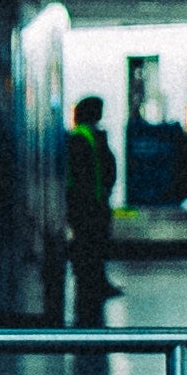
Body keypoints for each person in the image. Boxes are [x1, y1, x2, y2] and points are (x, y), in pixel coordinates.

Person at [63, 96, 118, 318]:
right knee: (90, 243)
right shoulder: (82, 138)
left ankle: (96, 281)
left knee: (94, 242)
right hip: (89, 203)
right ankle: (91, 283)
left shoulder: (86, 136)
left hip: (92, 201)